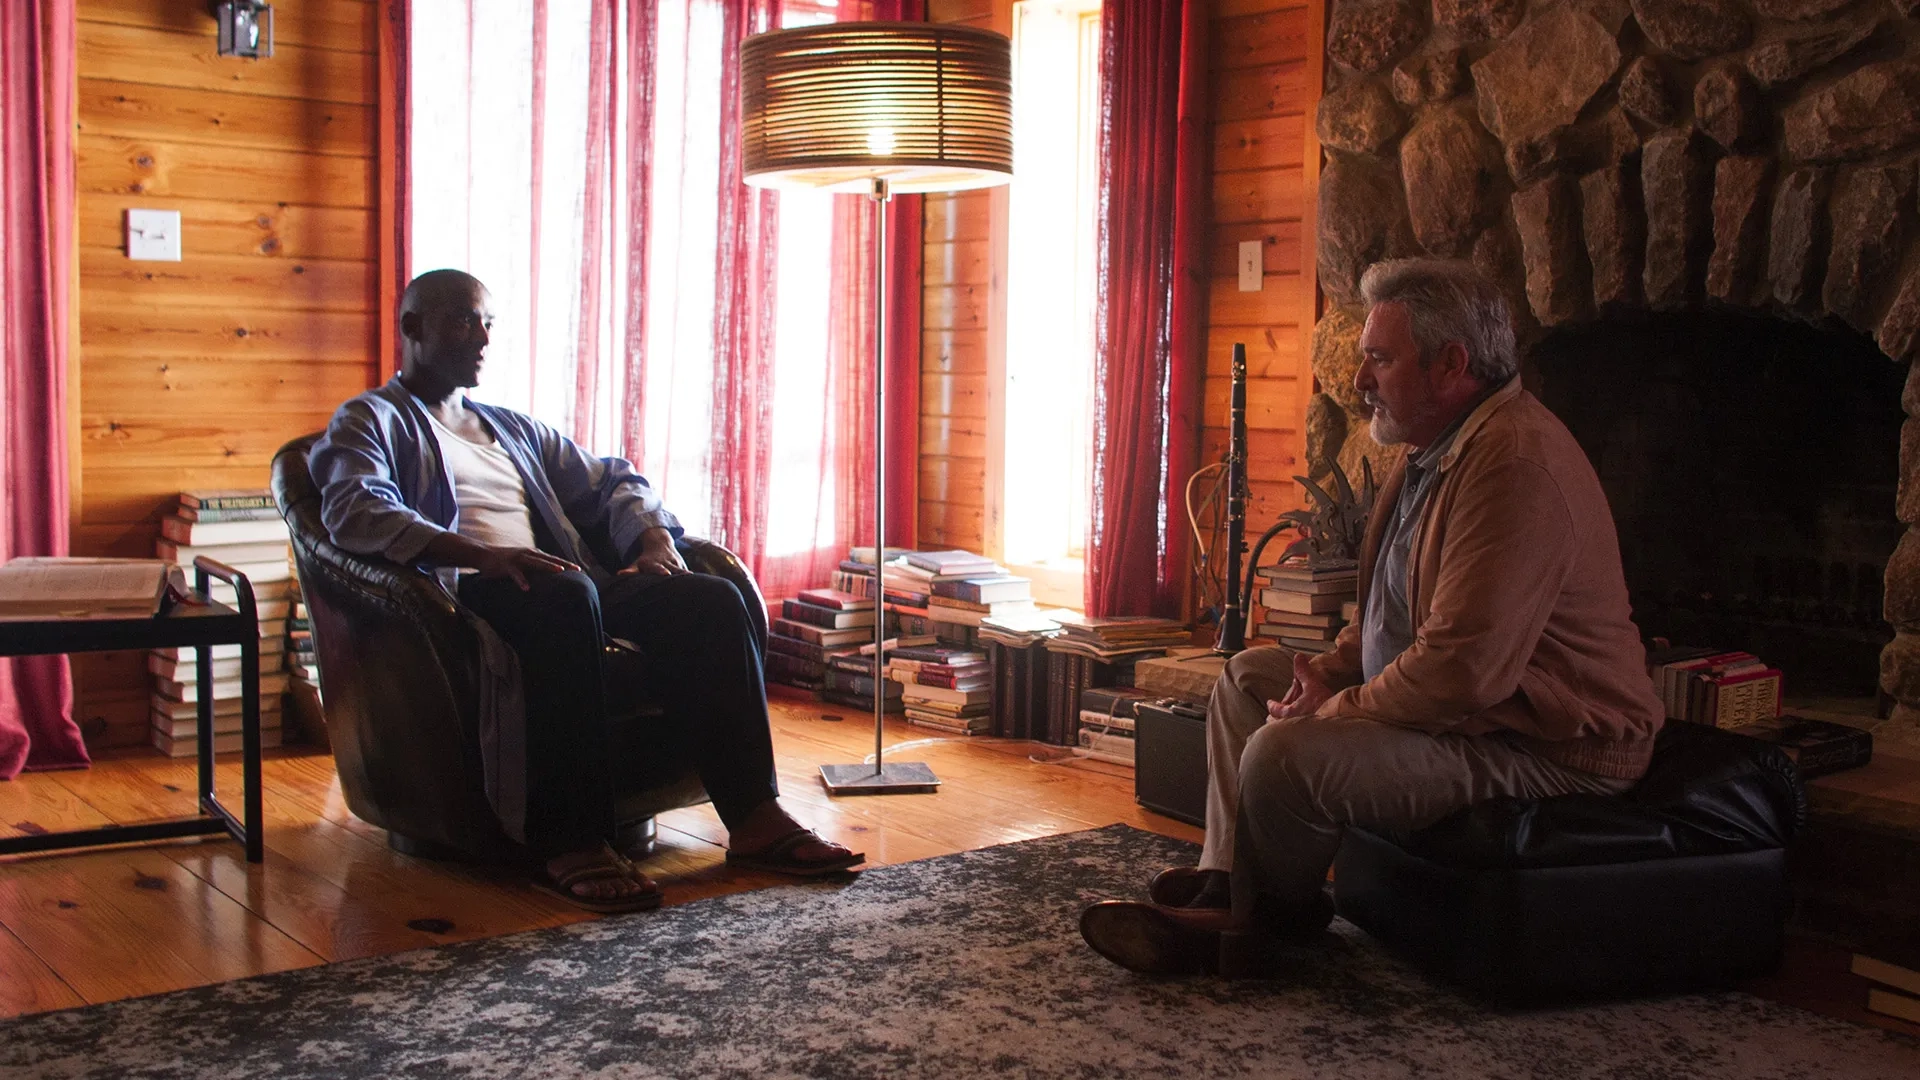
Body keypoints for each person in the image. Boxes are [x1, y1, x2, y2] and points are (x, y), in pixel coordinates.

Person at [1079, 258, 1665, 974]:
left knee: (1286, 752)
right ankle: (1232, 889)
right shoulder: (1433, 451)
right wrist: (1325, 674)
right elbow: (1392, 610)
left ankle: (1256, 930)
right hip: (1476, 717)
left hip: (1548, 748)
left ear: (1451, 365)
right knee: (1246, 679)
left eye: (1380, 360)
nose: (1358, 381)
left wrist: (1338, 710)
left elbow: (1460, 672)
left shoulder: (1514, 467)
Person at [310, 269, 863, 914]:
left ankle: (754, 815)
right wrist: (486, 555)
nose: (483, 336)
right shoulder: (370, 419)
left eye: (489, 321)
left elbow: (614, 480)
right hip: (463, 600)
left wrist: (653, 541)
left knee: (708, 599)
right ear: (412, 328)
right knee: (564, 598)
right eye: (464, 320)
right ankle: (569, 838)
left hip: (568, 585)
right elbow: (356, 510)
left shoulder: (510, 428)